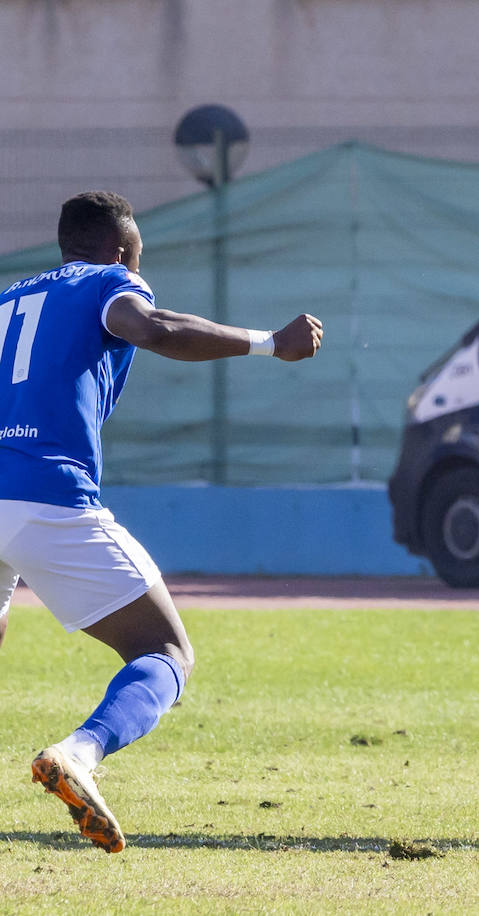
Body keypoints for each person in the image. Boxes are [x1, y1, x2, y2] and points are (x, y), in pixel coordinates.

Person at [0, 190, 324, 852]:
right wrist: (271, 344)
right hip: (46, 491)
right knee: (166, 652)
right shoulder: (109, 282)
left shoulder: (9, 301)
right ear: (121, 253)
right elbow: (152, 327)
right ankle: (79, 755)